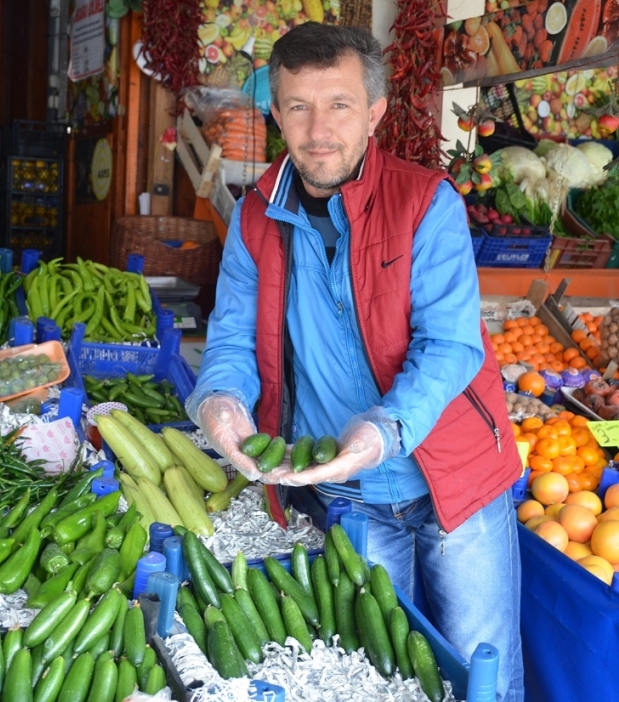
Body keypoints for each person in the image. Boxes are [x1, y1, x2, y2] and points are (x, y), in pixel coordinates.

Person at [185, 22, 525, 702]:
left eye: (339, 104)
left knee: (481, 670)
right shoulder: (254, 218)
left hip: (453, 479)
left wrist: (381, 432)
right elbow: (230, 338)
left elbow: (451, 344)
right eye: (299, 107)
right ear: (275, 114)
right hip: (348, 495)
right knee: (373, 675)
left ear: (373, 112)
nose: (318, 130)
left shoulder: (425, 203)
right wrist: (219, 398)